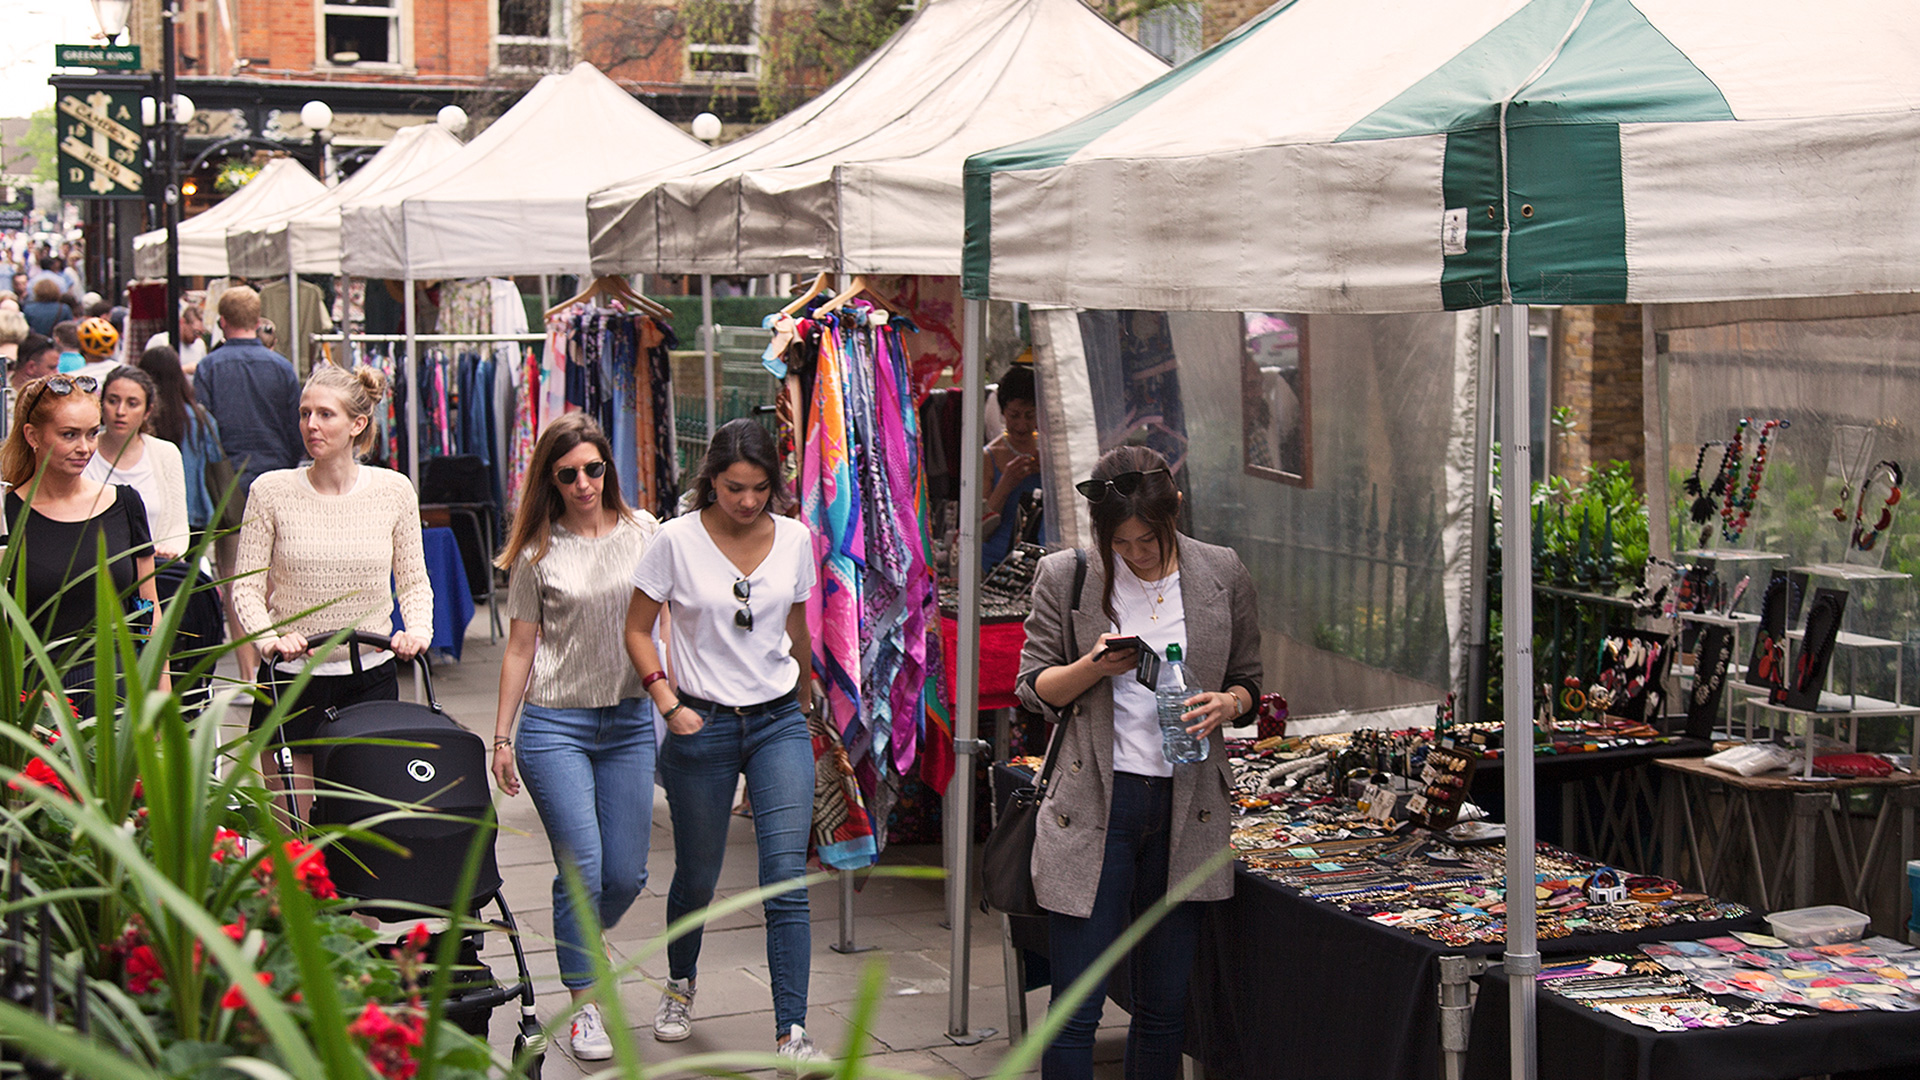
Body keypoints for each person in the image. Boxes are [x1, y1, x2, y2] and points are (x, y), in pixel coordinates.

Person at [1016, 445, 1261, 1080]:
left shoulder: (1222, 571)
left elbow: (1250, 682)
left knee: (1164, 1006)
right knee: (1077, 1005)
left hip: (1188, 806)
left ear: (1173, 510)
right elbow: (1033, 687)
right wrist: (1090, 667)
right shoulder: (1067, 574)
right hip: (1097, 801)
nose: (1136, 553)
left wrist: (1226, 704)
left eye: (1147, 539)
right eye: (1120, 542)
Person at [623, 418, 828, 1066]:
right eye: (735, 487)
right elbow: (637, 628)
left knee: (784, 878)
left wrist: (807, 696)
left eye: (760, 488)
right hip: (700, 722)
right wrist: (665, 699)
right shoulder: (674, 541)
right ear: (710, 479)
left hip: (776, 721)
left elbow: (797, 627)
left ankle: (791, 1032)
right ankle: (680, 984)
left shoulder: (796, 539)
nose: (747, 501)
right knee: (699, 875)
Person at [490, 414, 660, 1062]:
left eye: (594, 469)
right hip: (555, 724)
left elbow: (664, 622)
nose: (584, 482)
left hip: (626, 722)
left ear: (608, 469)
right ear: (550, 480)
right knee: (582, 866)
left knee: (625, 874)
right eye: (569, 474)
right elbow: (520, 647)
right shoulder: (538, 550)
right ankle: (585, 1003)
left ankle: (579, 943)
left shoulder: (646, 533)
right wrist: (501, 738)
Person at [230, 364, 431, 816]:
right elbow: (245, 586)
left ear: (357, 424)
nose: (311, 425)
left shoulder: (394, 490)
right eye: (305, 414)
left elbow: (414, 579)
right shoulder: (271, 491)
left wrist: (416, 630)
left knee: (366, 833)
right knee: (293, 841)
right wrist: (269, 640)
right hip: (291, 680)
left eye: (325, 414)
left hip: (370, 680)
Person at [0, 374, 165, 691]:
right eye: (69, 435)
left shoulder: (124, 504)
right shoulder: (9, 516)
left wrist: (160, 705)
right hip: (39, 699)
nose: (85, 448)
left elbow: (150, 611)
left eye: (92, 433)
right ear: (32, 436)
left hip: (120, 690)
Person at [193, 286, 302, 504]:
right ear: (257, 322)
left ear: (222, 322)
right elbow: (296, 426)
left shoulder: (208, 367)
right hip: (276, 473)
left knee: (232, 538)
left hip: (226, 479)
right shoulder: (283, 368)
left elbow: (203, 430)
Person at [85, 366, 190, 561]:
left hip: (156, 569)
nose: (120, 411)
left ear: (147, 411)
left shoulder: (165, 454)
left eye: (132, 403)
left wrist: (170, 549)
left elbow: (178, 524)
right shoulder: (83, 451)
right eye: (112, 401)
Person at [137, 344, 224, 540]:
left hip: (149, 511)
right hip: (194, 511)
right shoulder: (199, 418)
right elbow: (215, 457)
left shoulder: (143, 420)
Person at [983, 364, 1042, 566]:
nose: (1022, 425)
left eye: (1030, 415)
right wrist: (1006, 482)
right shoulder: (989, 456)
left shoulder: (1049, 452)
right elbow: (979, 529)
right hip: (995, 561)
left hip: (1040, 559)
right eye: (1014, 415)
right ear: (1003, 412)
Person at [145, 301, 207, 375]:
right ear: (182, 322)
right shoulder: (160, 341)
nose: (198, 337)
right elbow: (151, 373)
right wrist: (184, 369)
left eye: (201, 333)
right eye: (196, 332)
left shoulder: (200, 344)